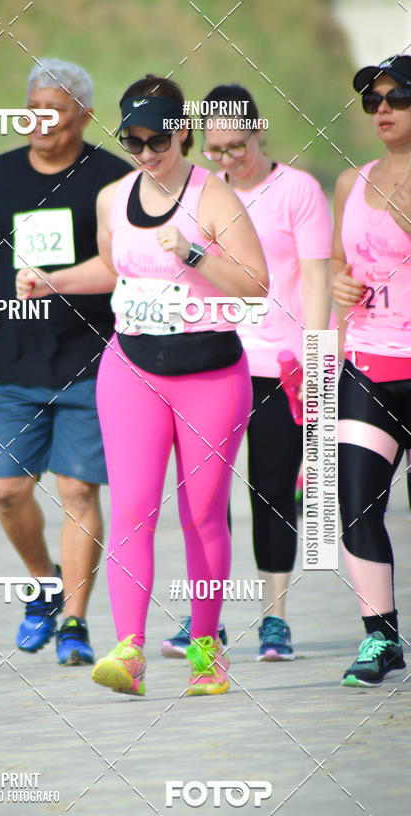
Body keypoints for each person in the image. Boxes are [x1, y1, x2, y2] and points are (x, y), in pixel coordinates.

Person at [18, 74, 268, 695]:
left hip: (210, 375)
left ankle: (207, 648)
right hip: (131, 369)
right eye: (133, 140)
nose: (147, 152)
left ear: (182, 132)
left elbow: (256, 283)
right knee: (132, 510)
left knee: (203, 513)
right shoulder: (112, 198)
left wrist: (191, 254)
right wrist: (55, 281)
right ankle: (128, 651)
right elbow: (113, 265)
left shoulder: (214, 198)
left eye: (158, 138)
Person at [0, 59, 131, 665]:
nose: (41, 123)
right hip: (15, 363)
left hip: (90, 359)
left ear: (85, 117)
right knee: (9, 492)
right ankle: (44, 586)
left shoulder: (113, 179)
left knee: (76, 489)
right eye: (34, 110)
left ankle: (74, 621)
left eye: (57, 112)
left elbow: (129, 264)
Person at [162, 84, 332, 662]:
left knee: (272, 492)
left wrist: (317, 357)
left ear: (258, 131)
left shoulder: (298, 192)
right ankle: (205, 619)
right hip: (211, 358)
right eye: (214, 150)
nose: (227, 160)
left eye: (236, 147)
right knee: (204, 499)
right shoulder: (198, 194)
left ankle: (274, 618)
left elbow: (314, 279)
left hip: (279, 365)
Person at [331, 54, 411, 687]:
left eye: (397, 97)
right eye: (373, 100)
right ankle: (379, 640)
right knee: (355, 503)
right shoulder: (350, 183)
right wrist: (339, 292)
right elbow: (339, 270)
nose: (382, 109)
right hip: (366, 365)